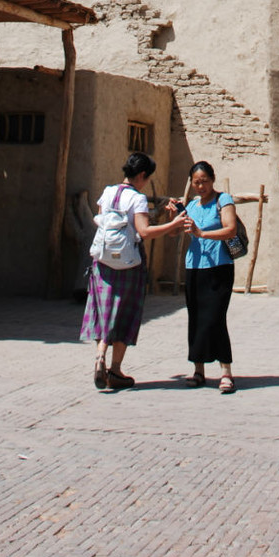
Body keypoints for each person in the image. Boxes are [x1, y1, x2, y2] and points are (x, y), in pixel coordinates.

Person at [80, 151, 187, 391]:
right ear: (141, 175)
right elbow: (144, 231)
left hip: (102, 263)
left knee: (103, 310)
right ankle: (115, 369)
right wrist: (173, 224)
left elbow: (101, 219)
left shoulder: (107, 192)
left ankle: (100, 355)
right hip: (129, 264)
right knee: (124, 313)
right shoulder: (137, 199)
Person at [176, 160, 238, 393]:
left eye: (204, 182)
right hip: (194, 267)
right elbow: (175, 232)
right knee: (196, 318)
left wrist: (202, 233)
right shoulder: (191, 205)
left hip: (219, 267)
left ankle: (226, 371)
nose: (200, 187)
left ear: (213, 180)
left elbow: (230, 229)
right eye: (196, 182)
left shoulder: (224, 201)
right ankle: (198, 369)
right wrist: (175, 216)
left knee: (215, 318)